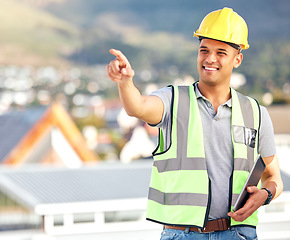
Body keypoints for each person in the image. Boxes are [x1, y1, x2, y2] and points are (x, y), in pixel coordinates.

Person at [106, 7, 283, 240]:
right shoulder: (172, 100)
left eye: (221, 52)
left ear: (237, 59)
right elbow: (136, 107)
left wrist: (265, 194)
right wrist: (125, 83)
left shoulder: (256, 113)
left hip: (238, 234)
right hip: (182, 235)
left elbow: (273, 177)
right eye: (204, 50)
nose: (210, 58)